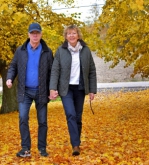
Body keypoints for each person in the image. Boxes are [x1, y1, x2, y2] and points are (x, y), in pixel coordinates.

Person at [6, 22, 53, 157]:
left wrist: (52, 89)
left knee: (43, 121)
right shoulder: (21, 50)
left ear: (41, 34)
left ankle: (42, 148)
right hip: (24, 91)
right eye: (32, 33)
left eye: (37, 33)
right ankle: (25, 148)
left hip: (41, 91)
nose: (35, 35)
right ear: (29, 35)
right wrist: (10, 78)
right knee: (22, 117)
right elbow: (13, 66)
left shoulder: (47, 51)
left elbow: (52, 71)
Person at [49, 25, 97, 156]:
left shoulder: (86, 50)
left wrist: (92, 90)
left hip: (80, 88)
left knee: (78, 117)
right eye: (68, 33)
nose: (71, 35)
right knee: (70, 114)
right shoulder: (60, 51)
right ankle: (75, 145)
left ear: (78, 35)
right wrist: (52, 88)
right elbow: (55, 70)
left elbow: (92, 70)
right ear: (65, 36)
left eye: (74, 33)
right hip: (66, 89)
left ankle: (76, 142)